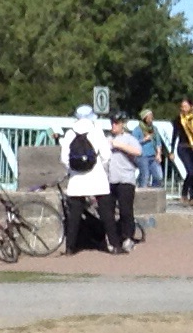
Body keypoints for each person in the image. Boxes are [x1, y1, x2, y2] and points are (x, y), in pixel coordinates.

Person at [59, 104, 114, 253]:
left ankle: (70, 247)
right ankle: (114, 245)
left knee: (74, 216)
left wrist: (73, 168)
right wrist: (99, 166)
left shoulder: (70, 133)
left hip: (76, 179)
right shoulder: (97, 131)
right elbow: (106, 155)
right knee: (106, 213)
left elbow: (64, 158)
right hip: (97, 177)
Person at [104, 116, 143, 250]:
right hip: (110, 179)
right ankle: (113, 238)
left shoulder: (129, 139)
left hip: (126, 179)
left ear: (122, 125)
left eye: (116, 123)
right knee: (108, 211)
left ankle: (128, 237)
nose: (113, 126)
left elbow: (138, 151)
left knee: (126, 210)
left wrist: (118, 145)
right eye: (112, 123)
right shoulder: (107, 139)